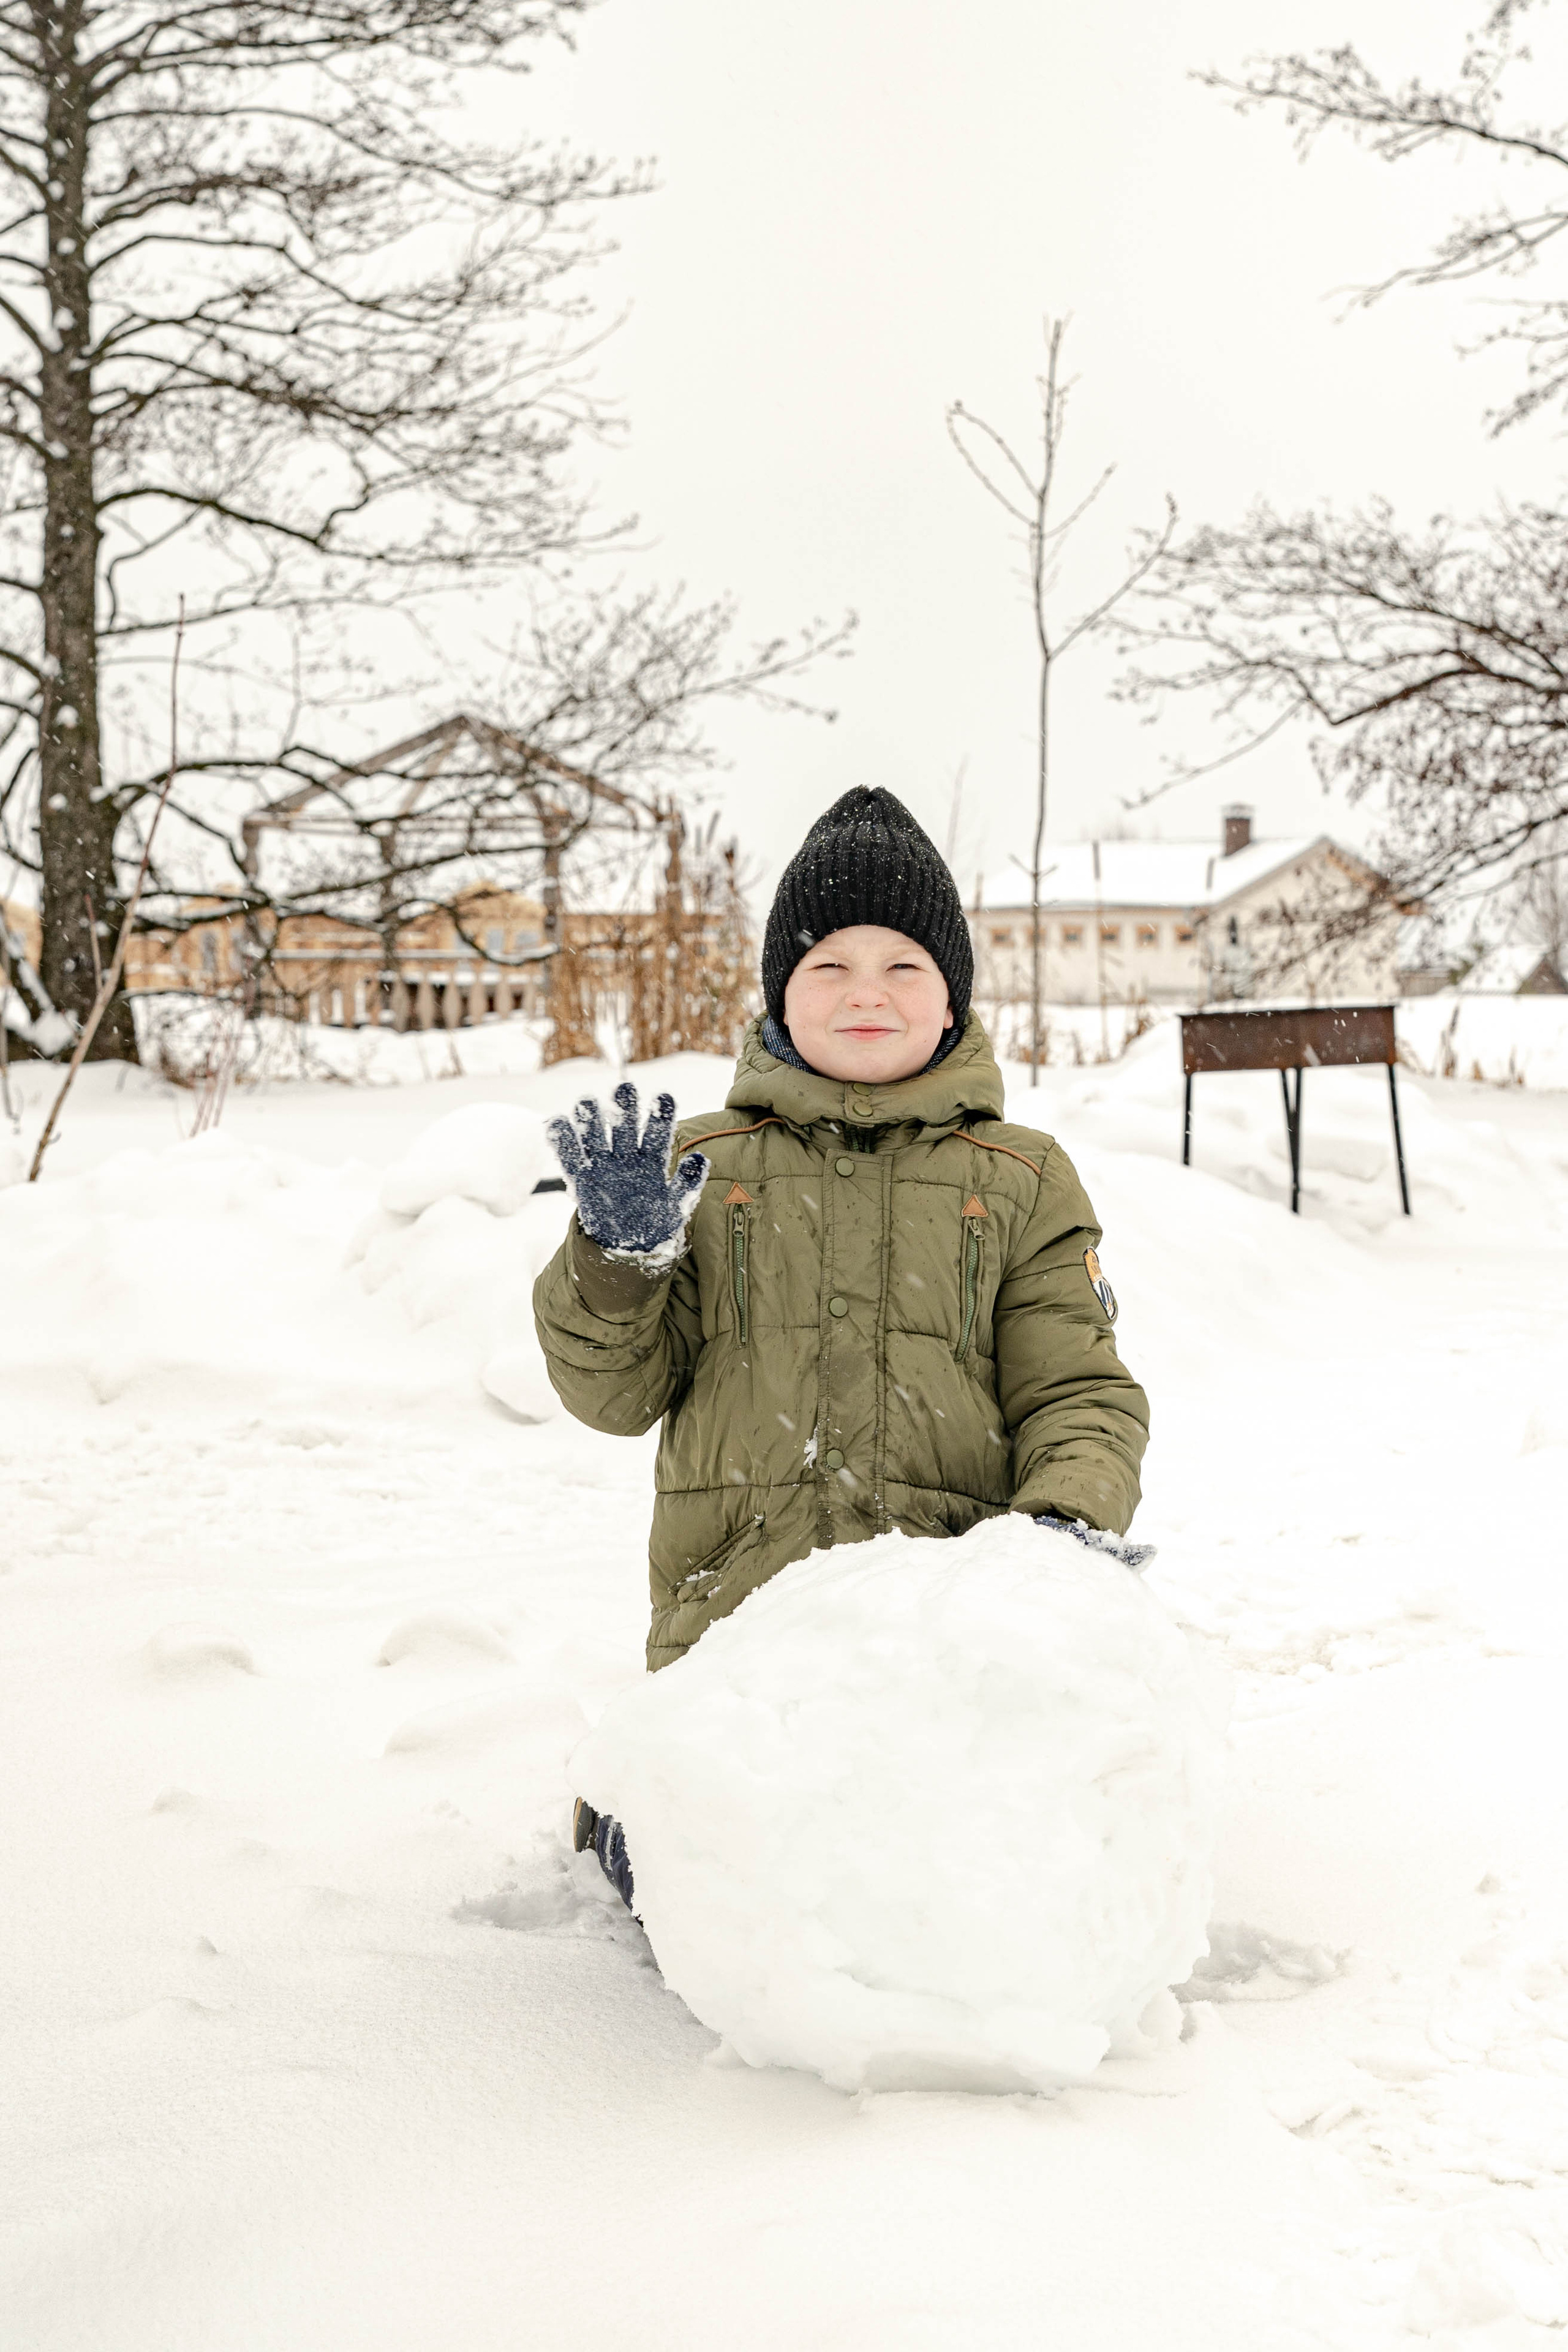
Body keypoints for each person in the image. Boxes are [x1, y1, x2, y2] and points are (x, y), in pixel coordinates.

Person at [532, 787, 1151, 1910]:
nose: (866, 990)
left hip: (941, 1629)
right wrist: (616, 1259)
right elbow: (614, 1397)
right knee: (742, 1891)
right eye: (829, 965)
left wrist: (1062, 1525)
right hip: (736, 1627)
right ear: (780, 992)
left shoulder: (1020, 1178)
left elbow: (1079, 1388)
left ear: (953, 993)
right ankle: (640, 1809)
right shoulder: (704, 1168)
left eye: (903, 965)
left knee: (944, 1880)